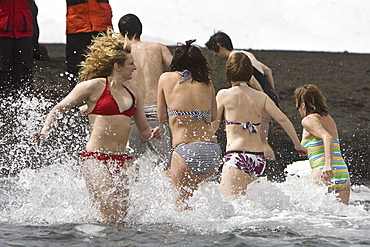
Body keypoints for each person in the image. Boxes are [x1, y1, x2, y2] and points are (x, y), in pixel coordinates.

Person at [33, 29, 162, 223]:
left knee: (121, 218)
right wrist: (45, 131)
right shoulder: (93, 86)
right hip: (96, 159)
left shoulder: (134, 92)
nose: (135, 67)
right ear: (117, 66)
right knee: (108, 215)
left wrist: (152, 133)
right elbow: (59, 108)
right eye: (131, 64)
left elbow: (143, 131)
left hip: (120, 160)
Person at [212, 52, 306, 198]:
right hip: (258, 160)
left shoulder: (224, 95)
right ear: (250, 74)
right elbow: (283, 119)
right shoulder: (261, 97)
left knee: (229, 207)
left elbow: (214, 126)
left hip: (238, 157)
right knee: (249, 206)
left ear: (228, 73)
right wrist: (297, 145)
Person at [157, 40, 221, 210]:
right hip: (212, 151)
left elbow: (161, 117)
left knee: (180, 206)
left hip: (185, 150)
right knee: (195, 199)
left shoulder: (166, 78)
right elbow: (214, 116)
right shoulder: (207, 82)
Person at [205, 31, 279, 160]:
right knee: (261, 139)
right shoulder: (247, 54)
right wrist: (271, 91)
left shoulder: (237, 58)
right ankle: (267, 166)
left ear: (220, 46)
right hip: (270, 94)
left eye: (215, 51)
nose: (215, 55)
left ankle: (269, 167)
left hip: (263, 95)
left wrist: (261, 96)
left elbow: (251, 79)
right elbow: (267, 71)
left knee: (261, 141)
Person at [118, 13, 173, 165]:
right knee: (164, 165)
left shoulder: (120, 53)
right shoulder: (158, 48)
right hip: (158, 112)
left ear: (121, 34)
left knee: (129, 166)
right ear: (140, 30)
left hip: (132, 112)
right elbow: (180, 72)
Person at [294, 84, 350, 204]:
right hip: (342, 171)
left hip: (323, 171)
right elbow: (326, 143)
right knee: (342, 218)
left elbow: (327, 138)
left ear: (303, 104)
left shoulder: (308, 120)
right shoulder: (328, 118)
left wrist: (327, 166)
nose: (298, 109)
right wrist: (308, 150)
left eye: (298, 106)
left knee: (302, 209)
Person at [65, 0, 113, 87]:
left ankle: (105, 95)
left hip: (101, 24)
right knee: (76, 65)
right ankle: (76, 94)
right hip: (77, 25)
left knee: (105, 65)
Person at [0, 0, 33, 94]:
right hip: (4, 28)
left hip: (23, 28)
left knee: (24, 68)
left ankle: (25, 99)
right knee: (3, 68)